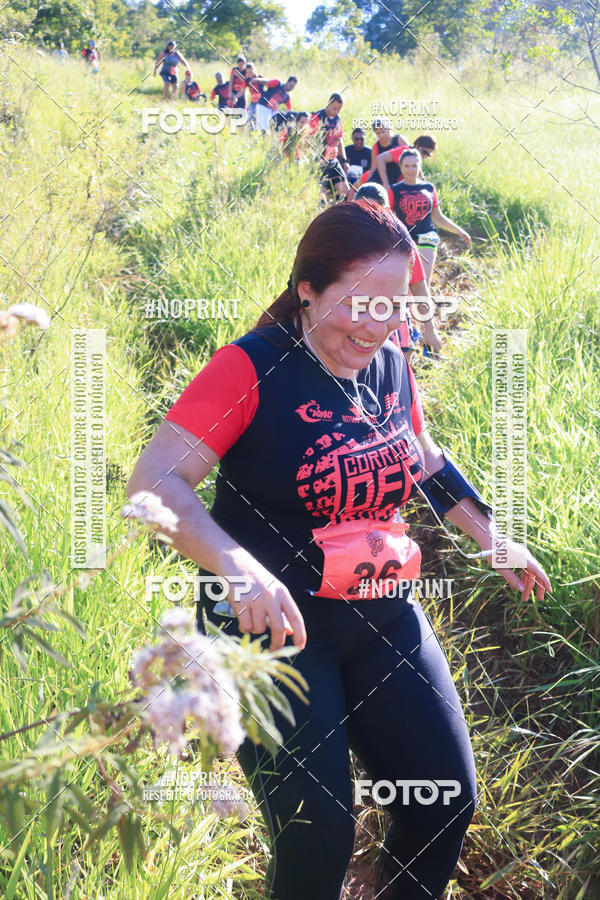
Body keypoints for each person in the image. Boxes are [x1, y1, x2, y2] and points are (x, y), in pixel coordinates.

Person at [127, 201, 550, 900]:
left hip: (381, 613)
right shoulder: (249, 369)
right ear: (307, 290)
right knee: (318, 837)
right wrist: (236, 565)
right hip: (272, 632)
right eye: (360, 305)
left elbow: (420, 452)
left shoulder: (388, 360)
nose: (378, 325)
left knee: (443, 800)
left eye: (394, 307)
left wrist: (493, 535)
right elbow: (154, 481)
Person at [354, 182, 441, 360]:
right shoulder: (343, 242)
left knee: (398, 373)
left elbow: (419, 289)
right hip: (356, 321)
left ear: (387, 211)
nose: (368, 216)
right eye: (362, 209)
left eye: (375, 210)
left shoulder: (403, 244)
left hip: (395, 322)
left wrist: (429, 330)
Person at [388, 148, 471, 286]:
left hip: (427, 237)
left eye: (414, 165)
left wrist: (459, 231)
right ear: (400, 167)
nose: (410, 170)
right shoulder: (393, 190)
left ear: (420, 166)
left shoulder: (429, 188)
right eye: (406, 166)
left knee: (423, 283)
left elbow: (438, 217)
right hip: (404, 240)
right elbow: (389, 219)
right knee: (404, 284)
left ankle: (424, 305)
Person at [309, 93, 350, 202]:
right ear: (328, 103)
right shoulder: (317, 117)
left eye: (339, 109)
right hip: (319, 162)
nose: (336, 112)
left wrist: (344, 160)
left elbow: (339, 139)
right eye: (334, 108)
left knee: (345, 190)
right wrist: (317, 158)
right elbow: (309, 140)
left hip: (333, 161)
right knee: (321, 196)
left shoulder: (337, 119)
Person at [352, 118, 410, 191]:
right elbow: (373, 169)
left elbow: (411, 155)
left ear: (389, 128)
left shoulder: (399, 139)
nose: (381, 135)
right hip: (383, 177)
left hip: (400, 175)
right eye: (378, 133)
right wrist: (368, 184)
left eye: (383, 131)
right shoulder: (376, 147)